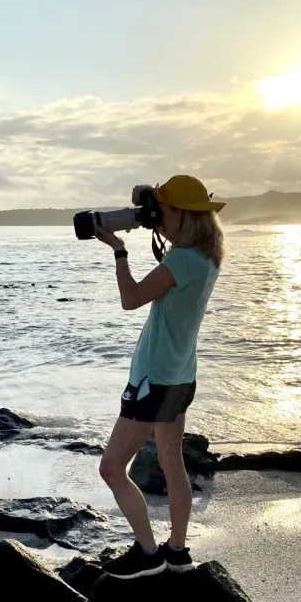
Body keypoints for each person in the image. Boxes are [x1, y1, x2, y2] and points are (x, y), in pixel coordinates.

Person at [95, 174, 225, 579]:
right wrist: (149, 206)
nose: (157, 219)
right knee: (171, 462)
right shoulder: (203, 257)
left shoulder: (182, 260)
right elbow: (169, 263)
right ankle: (178, 551)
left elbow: (131, 299)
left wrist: (118, 250)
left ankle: (148, 554)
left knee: (112, 468)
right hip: (180, 376)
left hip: (153, 381)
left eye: (163, 211)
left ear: (183, 214)